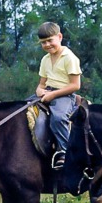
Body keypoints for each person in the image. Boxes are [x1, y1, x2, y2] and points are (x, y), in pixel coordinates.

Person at [35, 22, 82, 169]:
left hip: (64, 95)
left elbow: (75, 85)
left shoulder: (69, 57)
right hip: (48, 92)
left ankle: (65, 151)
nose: (47, 45)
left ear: (59, 37)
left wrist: (53, 94)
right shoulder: (45, 59)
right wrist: (40, 91)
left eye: (50, 40)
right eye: (43, 42)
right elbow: (41, 83)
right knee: (22, 110)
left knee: (59, 117)